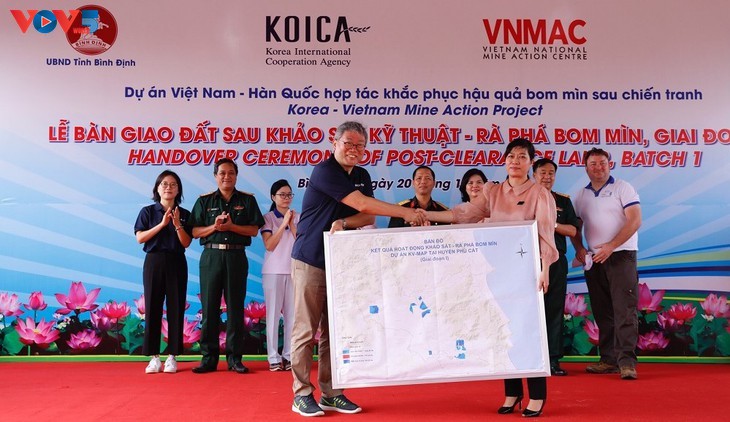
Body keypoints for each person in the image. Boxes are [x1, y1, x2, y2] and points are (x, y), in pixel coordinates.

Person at [290, 121, 427, 417]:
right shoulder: (324, 170)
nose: (354, 150)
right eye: (348, 144)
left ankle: (331, 393)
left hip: (341, 264)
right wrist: (406, 212)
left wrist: (343, 222)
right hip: (310, 259)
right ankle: (301, 394)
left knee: (334, 332)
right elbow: (363, 204)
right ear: (334, 142)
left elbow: (366, 218)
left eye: (360, 145)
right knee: (305, 330)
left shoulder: (362, 175)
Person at [424, 138, 557, 418]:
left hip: (528, 272)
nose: (515, 161)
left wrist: (545, 268)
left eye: (522, 157)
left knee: (527, 331)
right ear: (504, 161)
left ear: (531, 162)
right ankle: (512, 391)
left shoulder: (539, 194)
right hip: (497, 271)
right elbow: (464, 214)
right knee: (503, 330)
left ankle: (537, 394)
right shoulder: (493, 191)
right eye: (511, 156)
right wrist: (424, 214)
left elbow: (546, 234)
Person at [570, 148, 641, 380]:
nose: (598, 167)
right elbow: (575, 227)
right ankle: (609, 360)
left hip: (621, 255)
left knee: (624, 310)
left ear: (610, 165)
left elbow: (635, 220)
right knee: (603, 311)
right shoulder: (580, 195)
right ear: (586, 168)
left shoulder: (623, 187)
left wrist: (611, 246)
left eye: (602, 163)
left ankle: (627, 362)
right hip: (594, 260)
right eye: (593, 164)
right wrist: (579, 248)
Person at [189, 158, 265, 374]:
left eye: (231, 173)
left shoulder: (247, 200)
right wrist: (214, 227)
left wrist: (232, 226)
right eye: (222, 173)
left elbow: (253, 230)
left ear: (236, 176)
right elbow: (194, 231)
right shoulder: (204, 201)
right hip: (211, 256)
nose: (226, 177)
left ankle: (234, 359)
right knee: (209, 308)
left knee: (235, 308)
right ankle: (208, 359)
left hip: (236, 256)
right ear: (215, 176)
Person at [134, 170, 192, 374]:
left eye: (173, 184)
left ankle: (172, 357)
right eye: (164, 184)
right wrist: (162, 224)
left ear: (178, 190)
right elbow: (140, 238)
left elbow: (186, 242)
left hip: (177, 261)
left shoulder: (184, 214)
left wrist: (176, 225)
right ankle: (154, 357)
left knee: (176, 307)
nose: (168, 187)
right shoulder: (148, 212)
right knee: (152, 307)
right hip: (154, 261)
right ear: (157, 189)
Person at [533, 158, 579, 376]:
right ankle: (531, 358)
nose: (547, 177)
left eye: (551, 173)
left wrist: (552, 223)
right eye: (542, 172)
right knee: (530, 310)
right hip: (528, 259)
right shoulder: (526, 199)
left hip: (555, 261)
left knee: (554, 310)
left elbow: (573, 231)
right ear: (533, 175)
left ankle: (552, 359)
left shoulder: (563, 201)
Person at [260, 179, 299, 372]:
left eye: (289, 194)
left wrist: (291, 223)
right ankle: (273, 357)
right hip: (273, 271)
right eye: (282, 195)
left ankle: (289, 356)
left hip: (294, 271)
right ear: (273, 197)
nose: (286, 198)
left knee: (292, 316)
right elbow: (269, 245)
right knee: (273, 316)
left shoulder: (298, 217)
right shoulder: (268, 218)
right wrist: (283, 223)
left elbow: (301, 242)